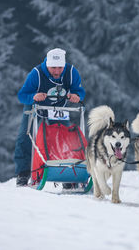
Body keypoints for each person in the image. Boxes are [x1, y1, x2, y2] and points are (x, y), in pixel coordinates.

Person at [14, 48, 85, 186]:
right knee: (24, 136)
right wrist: (33, 96)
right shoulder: (36, 74)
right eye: (53, 67)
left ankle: (67, 175)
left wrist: (77, 96)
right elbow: (22, 95)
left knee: (65, 138)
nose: (57, 71)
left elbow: (79, 90)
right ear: (47, 65)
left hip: (58, 107)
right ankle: (23, 173)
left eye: (60, 67)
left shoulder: (70, 72)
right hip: (35, 106)